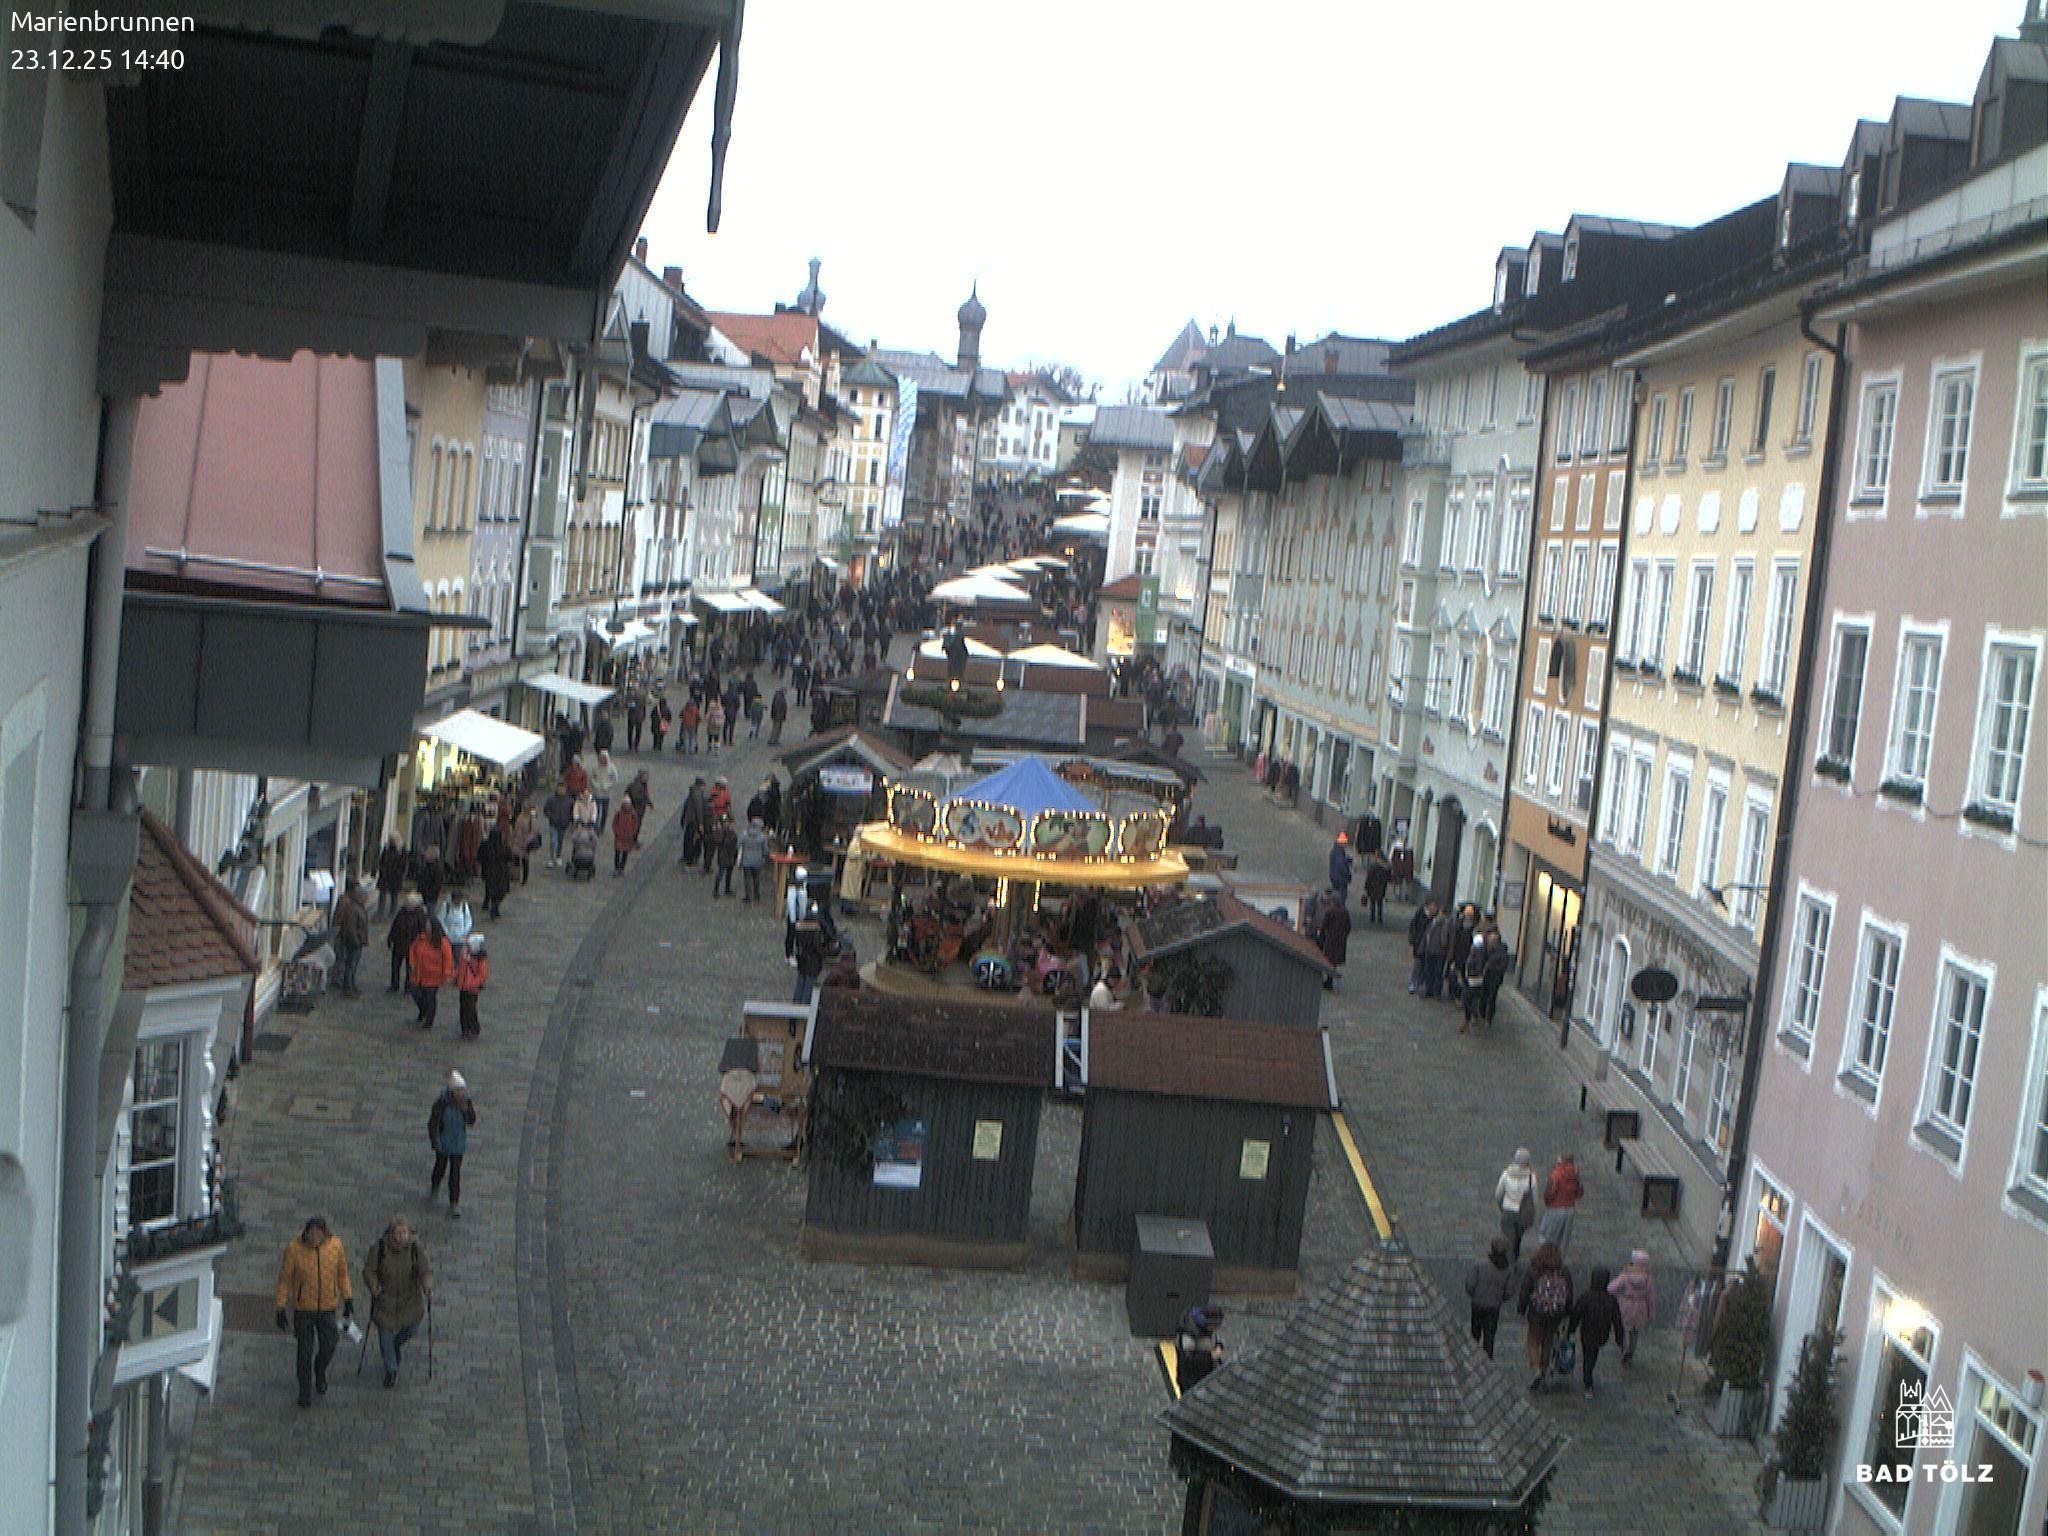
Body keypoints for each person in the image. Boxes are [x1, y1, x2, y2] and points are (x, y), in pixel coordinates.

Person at [274, 1215, 352, 1408]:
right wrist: (280, 1307)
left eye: (319, 1233)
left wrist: (348, 1298)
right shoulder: (294, 1250)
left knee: (330, 1344)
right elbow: (284, 1280)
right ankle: (304, 1390)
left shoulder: (335, 1246)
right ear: (306, 1232)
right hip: (303, 1309)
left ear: (325, 1233)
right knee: (304, 1351)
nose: (315, 1237)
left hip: (327, 1307)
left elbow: (342, 1273)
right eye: (312, 1233)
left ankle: (320, 1368)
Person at [362, 1217, 431, 1388]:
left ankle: (396, 1344)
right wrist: (373, 1285)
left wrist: (427, 1286)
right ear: (391, 1233)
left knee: (412, 1329)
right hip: (385, 1301)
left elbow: (425, 1270)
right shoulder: (379, 1248)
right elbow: (369, 1270)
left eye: (404, 1233)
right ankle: (391, 1370)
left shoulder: (415, 1248)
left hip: (410, 1301)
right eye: (398, 1233)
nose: (401, 1237)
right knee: (385, 1336)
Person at [1517, 1240, 1574, 1391]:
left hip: (1537, 1312)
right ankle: (1544, 1369)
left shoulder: (1534, 1270)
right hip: (1555, 1314)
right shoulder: (1564, 1271)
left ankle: (1536, 1370)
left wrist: (1521, 1309)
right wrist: (1567, 1312)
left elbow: (1525, 1291)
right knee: (1548, 1340)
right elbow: (1569, 1293)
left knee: (1533, 1340)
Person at [427, 1071, 476, 1218]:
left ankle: (454, 1202)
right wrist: (436, 1141)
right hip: (444, 1142)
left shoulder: (466, 1103)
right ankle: (435, 1185)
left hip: (458, 1144)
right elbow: (433, 1123)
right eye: (458, 1090)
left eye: (462, 1090)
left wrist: (466, 1111)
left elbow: (472, 1121)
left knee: (455, 1174)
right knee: (440, 1167)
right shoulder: (442, 1103)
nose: (461, 1093)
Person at [1571, 1264, 1625, 1396]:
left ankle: (1587, 1379)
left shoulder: (1585, 1297)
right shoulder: (1611, 1300)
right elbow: (1617, 1321)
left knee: (1587, 1353)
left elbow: (1576, 1314)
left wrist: (1570, 1330)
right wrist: (1619, 1339)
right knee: (1593, 1354)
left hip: (1586, 1331)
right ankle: (1588, 1375)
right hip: (1602, 1333)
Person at [1464, 1234, 1514, 1358]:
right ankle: (1487, 1358)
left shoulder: (1479, 1265)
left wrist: (1474, 1295)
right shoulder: (1507, 1270)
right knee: (1490, 1335)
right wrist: (1500, 1298)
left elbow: (1470, 1285)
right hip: (1494, 1306)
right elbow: (1509, 1292)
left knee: (1475, 1332)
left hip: (1478, 1303)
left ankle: (1472, 1356)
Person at [1608, 1250, 1656, 1364]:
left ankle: (1624, 1348)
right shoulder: (1648, 1278)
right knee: (1635, 1331)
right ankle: (1631, 1350)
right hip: (1641, 1307)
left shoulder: (1625, 1276)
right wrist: (1651, 1311)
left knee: (1624, 1328)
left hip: (1626, 1305)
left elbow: (1611, 1288)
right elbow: (1650, 1297)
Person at [408, 916, 453, 1030]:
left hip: (433, 976)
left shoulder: (443, 943)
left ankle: (429, 1019)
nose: (426, 927)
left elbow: (447, 960)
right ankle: (423, 1010)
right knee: (415, 993)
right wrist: (412, 962)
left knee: (430, 998)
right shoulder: (421, 938)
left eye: (428, 926)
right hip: (418, 973)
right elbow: (412, 948)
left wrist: (446, 974)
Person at [1495, 1147, 1538, 1262]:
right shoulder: (1531, 1177)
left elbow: (1498, 1194)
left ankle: (1509, 1262)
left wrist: (1501, 1206)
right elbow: (1534, 1199)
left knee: (1508, 1238)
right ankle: (1515, 1255)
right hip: (1522, 1213)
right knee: (1518, 1237)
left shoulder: (1506, 1174)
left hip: (1508, 1210)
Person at [1537, 1152, 1584, 1254]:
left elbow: (1550, 1193)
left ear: (1562, 1160)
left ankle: (1546, 1258)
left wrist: (1547, 1202)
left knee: (1547, 1236)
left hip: (1556, 1208)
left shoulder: (1557, 1173)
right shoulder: (1575, 1173)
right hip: (1570, 1209)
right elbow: (1579, 1192)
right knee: (1563, 1240)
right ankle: (1559, 1260)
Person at [1173, 1305, 1225, 1392]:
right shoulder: (1188, 1335)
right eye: (1215, 1326)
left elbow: (1215, 1340)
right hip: (1191, 1379)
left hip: (1206, 1373)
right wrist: (1210, 1356)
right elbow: (1187, 1358)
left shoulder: (1209, 1329)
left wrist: (1219, 1346)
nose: (1217, 1328)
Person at [332, 881, 370, 998]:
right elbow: (351, 927)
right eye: (365, 896)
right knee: (350, 965)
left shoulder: (358, 907)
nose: (367, 899)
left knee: (352, 965)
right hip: (353, 942)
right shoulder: (353, 909)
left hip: (357, 941)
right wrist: (356, 941)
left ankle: (351, 985)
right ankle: (348, 987)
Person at [387, 891, 426, 993]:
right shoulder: (401, 912)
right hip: (399, 944)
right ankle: (394, 985)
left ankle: (408, 986)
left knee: (410, 968)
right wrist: (390, 938)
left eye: (409, 903)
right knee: (395, 966)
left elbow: (423, 931)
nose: (407, 905)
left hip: (412, 946)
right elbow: (395, 926)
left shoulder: (420, 915)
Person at [1314, 888, 1351, 987]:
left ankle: (1328, 980)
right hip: (1341, 940)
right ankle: (1330, 980)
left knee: (1328, 958)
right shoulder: (1345, 912)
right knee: (1334, 961)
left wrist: (1321, 936)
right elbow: (1348, 926)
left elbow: (1324, 925)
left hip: (1331, 939)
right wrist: (1344, 935)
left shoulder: (1330, 911)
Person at [455, 933, 489, 1040]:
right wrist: (455, 977)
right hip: (463, 985)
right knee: (463, 1008)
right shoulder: (465, 954)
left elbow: (482, 975)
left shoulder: (479, 958)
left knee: (471, 1009)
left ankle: (474, 1029)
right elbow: (460, 967)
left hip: (472, 988)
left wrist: (473, 983)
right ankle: (465, 1028)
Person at [792, 902, 825, 1003]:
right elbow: (817, 946)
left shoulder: (799, 927)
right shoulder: (815, 930)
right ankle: (804, 1006)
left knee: (801, 981)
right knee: (809, 985)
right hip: (813, 961)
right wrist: (822, 956)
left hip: (802, 958)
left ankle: (796, 1003)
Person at [479, 823, 513, 919]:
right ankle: (495, 905)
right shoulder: (503, 846)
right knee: (501, 890)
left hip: (488, 870)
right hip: (501, 871)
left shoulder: (485, 845)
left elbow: (479, 857)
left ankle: (491, 904)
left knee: (490, 887)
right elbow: (510, 857)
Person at [1421, 903, 1454, 998]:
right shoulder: (1434, 921)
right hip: (1430, 950)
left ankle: (1436, 991)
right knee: (1429, 970)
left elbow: (1450, 940)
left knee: (1438, 972)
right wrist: (1423, 947)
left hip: (1440, 952)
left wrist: (1449, 954)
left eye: (1442, 912)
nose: (1440, 914)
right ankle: (1429, 989)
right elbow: (1427, 935)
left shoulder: (1448, 925)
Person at [1407, 899, 1440, 995]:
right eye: (1434, 907)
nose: (1435, 909)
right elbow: (1413, 927)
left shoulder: (1435, 918)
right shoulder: (1420, 914)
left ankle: (1421, 983)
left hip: (1429, 946)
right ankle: (1413, 983)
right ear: (1429, 906)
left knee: (1425, 965)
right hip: (1419, 944)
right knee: (1418, 964)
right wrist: (1413, 939)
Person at [375, 834, 408, 921]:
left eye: (392, 839)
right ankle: (380, 914)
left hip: (395, 877)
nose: (391, 841)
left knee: (394, 896)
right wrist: (382, 870)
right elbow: (382, 860)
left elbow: (403, 865)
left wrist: (399, 874)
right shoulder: (386, 848)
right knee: (382, 895)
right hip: (385, 875)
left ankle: (392, 914)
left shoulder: (401, 850)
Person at [543, 779, 575, 867]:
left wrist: (569, 821)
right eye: (559, 788)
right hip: (553, 824)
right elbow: (546, 810)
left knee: (560, 841)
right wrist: (551, 816)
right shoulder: (551, 799)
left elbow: (572, 813)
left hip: (564, 825)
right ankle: (551, 858)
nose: (561, 790)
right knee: (553, 841)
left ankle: (558, 855)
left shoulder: (570, 800)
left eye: (563, 788)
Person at [739, 817, 769, 902]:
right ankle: (757, 895)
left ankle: (748, 896)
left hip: (746, 860)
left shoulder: (745, 834)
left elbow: (739, 845)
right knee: (756, 879)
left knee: (747, 879)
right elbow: (765, 850)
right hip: (757, 861)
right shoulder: (762, 837)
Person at [611, 795, 642, 876]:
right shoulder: (619, 813)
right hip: (619, 837)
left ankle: (622, 868)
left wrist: (631, 833)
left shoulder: (633, 814)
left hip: (628, 837)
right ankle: (616, 868)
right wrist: (617, 832)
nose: (626, 806)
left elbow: (635, 825)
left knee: (625, 853)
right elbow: (614, 823)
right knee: (617, 853)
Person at [589, 749, 619, 831]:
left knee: (605, 811)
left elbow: (615, 780)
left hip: (607, 794)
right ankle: (596, 826)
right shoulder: (595, 767)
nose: (602, 760)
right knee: (597, 810)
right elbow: (592, 777)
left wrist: (608, 786)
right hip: (597, 792)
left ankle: (602, 826)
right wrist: (596, 785)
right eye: (600, 758)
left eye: (603, 758)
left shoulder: (612, 768)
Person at [784, 865, 809, 959]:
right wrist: (793, 920)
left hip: (799, 916)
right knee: (791, 934)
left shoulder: (802, 886)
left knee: (800, 936)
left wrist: (802, 917)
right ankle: (789, 954)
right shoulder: (792, 889)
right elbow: (791, 905)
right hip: (793, 917)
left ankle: (799, 953)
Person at [711, 814, 738, 897]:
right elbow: (719, 842)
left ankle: (727, 889)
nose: (727, 824)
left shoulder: (730, 832)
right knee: (721, 873)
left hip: (730, 856)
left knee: (729, 873)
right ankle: (716, 890)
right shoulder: (722, 833)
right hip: (724, 856)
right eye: (725, 822)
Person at [1361, 853, 1390, 925]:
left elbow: (1369, 878)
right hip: (1381, 888)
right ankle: (1379, 918)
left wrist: (1366, 888)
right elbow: (1388, 878)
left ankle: (1372, 917)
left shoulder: (1373, 866)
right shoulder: (1385, 868)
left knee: (1373, 903)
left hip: (1373, 887)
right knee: (1379, 903)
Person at [1327, 831, 1353, 901]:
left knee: (1336, 894)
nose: (1346, 845)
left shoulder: (1335, 851)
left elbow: (1340, 861)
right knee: (1341, 897)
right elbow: (1341, 865)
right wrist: (1348, 875)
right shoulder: (1339, 852)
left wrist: (1346, 860)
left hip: (1334, 876)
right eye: (1345, 843)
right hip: (1340, 878)